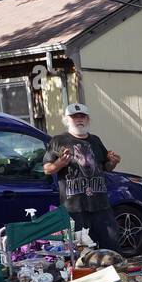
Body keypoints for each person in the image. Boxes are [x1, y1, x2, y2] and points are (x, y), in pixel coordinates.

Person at [42, 103, 123, 252]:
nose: (79, 120)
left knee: (112, 248)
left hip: (101, 206)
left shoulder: (96, 141)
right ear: (67, 120)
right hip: (74, 209)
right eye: (74, 117)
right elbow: (47, 169)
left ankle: (115, 274)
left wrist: (113, 162)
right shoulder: (58, 141)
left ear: (88, 120)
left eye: (82, 117)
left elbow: (105, 167)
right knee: (81, 253)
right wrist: (59, 163)